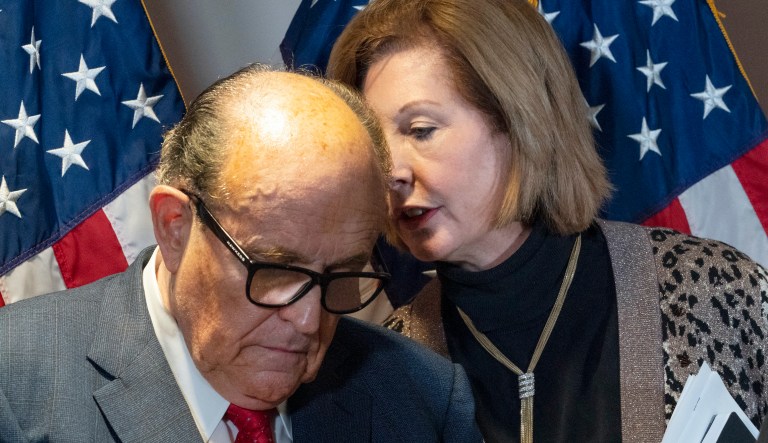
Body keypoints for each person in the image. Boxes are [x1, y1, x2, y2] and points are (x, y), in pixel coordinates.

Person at [326, 0, 768, 441]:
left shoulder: (713, 290)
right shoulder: (387, 371)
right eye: (375, 145)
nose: (390, 171)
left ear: (519, 119)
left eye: (421, 130)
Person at [0, 64, 483, 442]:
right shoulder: (14, 383)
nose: (309, 321)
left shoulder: (421, 397)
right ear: (175, 226)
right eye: (276, 270)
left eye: (341, 274)